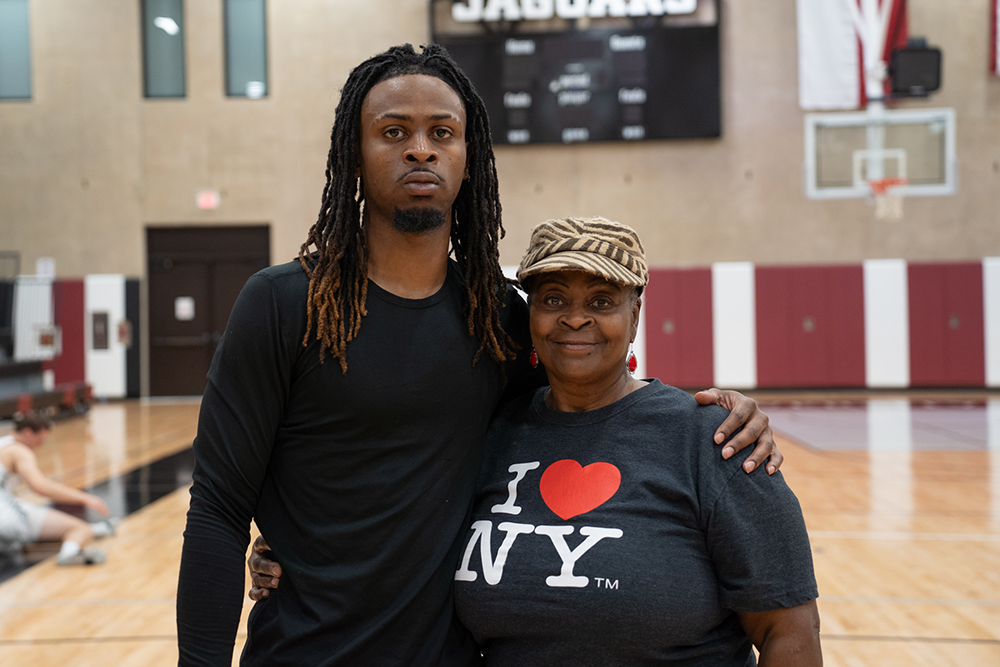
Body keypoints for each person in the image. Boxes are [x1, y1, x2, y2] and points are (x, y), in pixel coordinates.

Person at [177, 43, 781, 667]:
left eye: (443, 132)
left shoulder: (499, 319)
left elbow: (587, 403)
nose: (420, 148)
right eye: (393, 132)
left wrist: (718, 413)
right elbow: (220, 509)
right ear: (355, 155)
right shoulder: (283, 305)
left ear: (469, 158)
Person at [452, 217, 821, 664]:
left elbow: (789, 634)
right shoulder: (492, 434)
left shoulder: (715, 440)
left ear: (635, 315)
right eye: (553, 299)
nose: (574, 317)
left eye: (601, 300)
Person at [0, 413, 115, 566]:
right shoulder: (19, 450)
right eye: (40, 439)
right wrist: (84, 497)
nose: (40, 445)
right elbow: (40, 486)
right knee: (79, 528)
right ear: (27, 432)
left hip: (7, 508)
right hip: (6, 516)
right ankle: (70, 553)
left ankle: (97, 528)